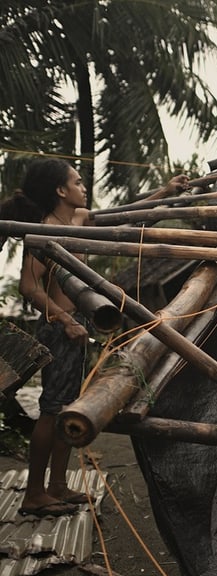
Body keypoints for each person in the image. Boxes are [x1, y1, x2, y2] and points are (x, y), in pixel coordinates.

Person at [0, 157, 190, 517]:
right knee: (51, 411)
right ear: (60, 191)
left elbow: (126, 214)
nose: (82, 186)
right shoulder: (45, 229)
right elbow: (29, 286)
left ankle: (57, 486)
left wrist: (165, 191)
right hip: (59, 330)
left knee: (65, 407)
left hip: (76, 327)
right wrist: (64, 320)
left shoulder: (79, 219)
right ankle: (34, 494)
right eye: (76, 181)